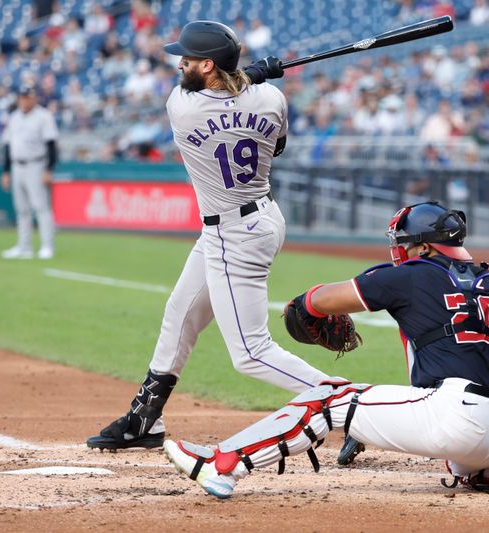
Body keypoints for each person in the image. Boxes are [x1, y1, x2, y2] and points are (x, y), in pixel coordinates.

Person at [162, 201, 489, 499]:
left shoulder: (413, 274)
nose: (398, 250)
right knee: (461, 456)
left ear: (424, 247)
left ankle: (223, 465)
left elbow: (316, 302)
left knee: (330, 398)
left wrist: (303, 307)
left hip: (456, 416)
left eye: (404, 243)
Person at [86, 20, 334, 452]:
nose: (179, 64)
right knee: (180, 315)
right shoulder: (273, 98)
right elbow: (276, 146)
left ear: (207, 65)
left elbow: (213, 94)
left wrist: (251, 75)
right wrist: (253, 81)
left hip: (235, 234)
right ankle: (144, 419)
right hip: (258, 217)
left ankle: (352, 403)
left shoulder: (181, 106)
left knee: (251, 353)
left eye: (187, 59)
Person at [0, 85, 59, 260]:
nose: (25, 100)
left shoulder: (43, 116)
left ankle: (47, 246)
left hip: (36, 165)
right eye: (22, 97)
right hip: (17, 165)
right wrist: (6, 171)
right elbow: (8, 146)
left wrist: (49, 169)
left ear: (34, 98)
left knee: (41, 207)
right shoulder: (14, 117)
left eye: (28, 97)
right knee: (22, 209)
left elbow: (51, 146)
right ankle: (24, 247)